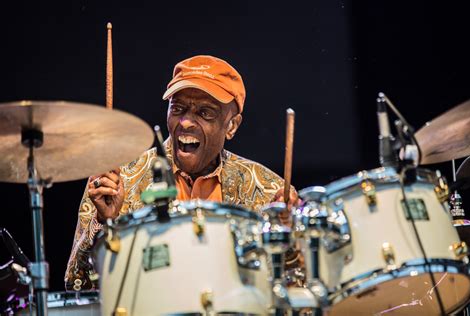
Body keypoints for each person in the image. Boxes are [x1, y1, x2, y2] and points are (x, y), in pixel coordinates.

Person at [65, 55, 299, 291]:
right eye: (178, 108)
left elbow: (298, 292)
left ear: (232, 125)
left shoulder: (268, 193)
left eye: (205, 113)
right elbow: (77, 285)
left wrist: (288, 241)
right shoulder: (114, 180)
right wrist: (105, 224)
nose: (186, 122)